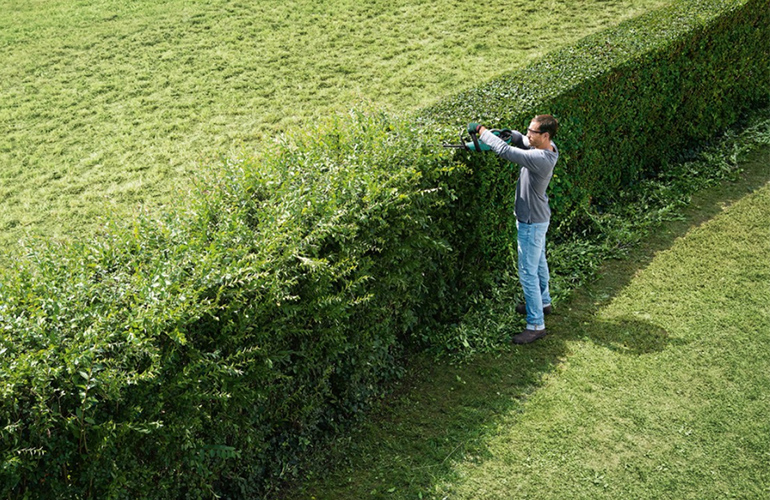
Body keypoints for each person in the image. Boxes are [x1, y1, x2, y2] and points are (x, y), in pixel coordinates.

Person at [468, 115, 559, 344]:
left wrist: (482, 131)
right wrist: (513, 135)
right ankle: (544, 302)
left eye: (532, 132)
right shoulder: (549, 147)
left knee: (528, 272)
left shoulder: (540, 158)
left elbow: (507, 152)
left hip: (530, 222)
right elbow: (523, 143)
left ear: (545, 136)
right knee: (538, 263)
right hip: (538, 217)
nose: (528, 135)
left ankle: (536, 324)